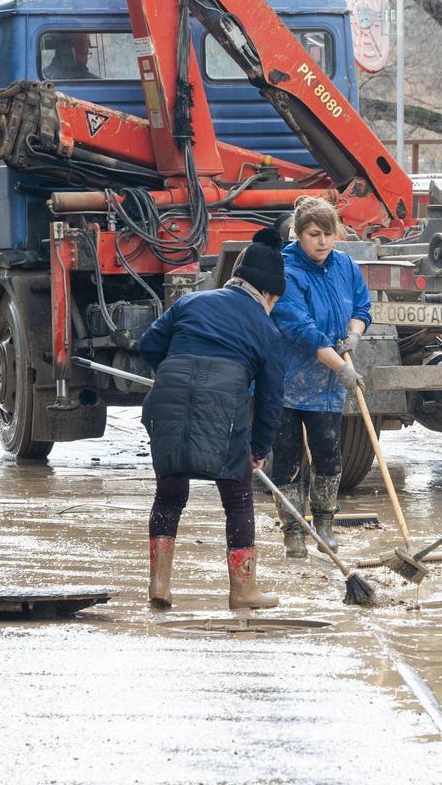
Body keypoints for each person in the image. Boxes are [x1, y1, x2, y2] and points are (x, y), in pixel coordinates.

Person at [139, 242, 286, 610]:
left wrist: (175, 370)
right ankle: (243, 590)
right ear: (268, 292)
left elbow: (148, 345)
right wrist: (260, 449)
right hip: (224, 404)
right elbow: (271, 399)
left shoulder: (192, 301)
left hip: (168, 396)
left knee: (170, 495)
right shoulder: (266, 329)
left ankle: (159, 585)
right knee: (237, 500)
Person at [269, 196, 370, 558]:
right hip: (286, 378)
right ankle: (293, 530)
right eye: (314, 234)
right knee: (287, 456)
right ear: (298, 233)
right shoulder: (286, 271)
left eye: (329, 234)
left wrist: (355, 333)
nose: (323, 242)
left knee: (329, 451)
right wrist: (342, 368)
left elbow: (361, 306)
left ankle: (325, 522)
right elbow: (304, 331)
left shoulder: (344, 265)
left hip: (325, 384)